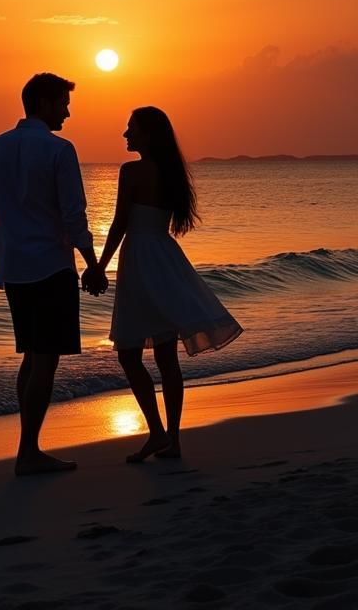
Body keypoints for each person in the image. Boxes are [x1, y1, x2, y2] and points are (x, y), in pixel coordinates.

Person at [84, 106, 243, 463]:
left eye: (131, 129)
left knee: (129, 353)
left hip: (140, 259)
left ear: (148, 135)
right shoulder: (172, 173)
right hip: (165, 258)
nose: (126, 135)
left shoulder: (133, 171)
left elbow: (120, 223)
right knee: (166, 355)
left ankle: (157, 432)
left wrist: (99, 267)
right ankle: (171, 438)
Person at [0, 72, 107, 476]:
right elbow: (73, 215)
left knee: (32, 356)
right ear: (46, 104)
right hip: (50, 266)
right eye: (64, 104)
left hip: (15, 269)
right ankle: (28, 452)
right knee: (44, 360)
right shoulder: (59, 150)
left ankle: (27, 446)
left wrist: (1, 249)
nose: (67, 112)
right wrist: (92, 263)